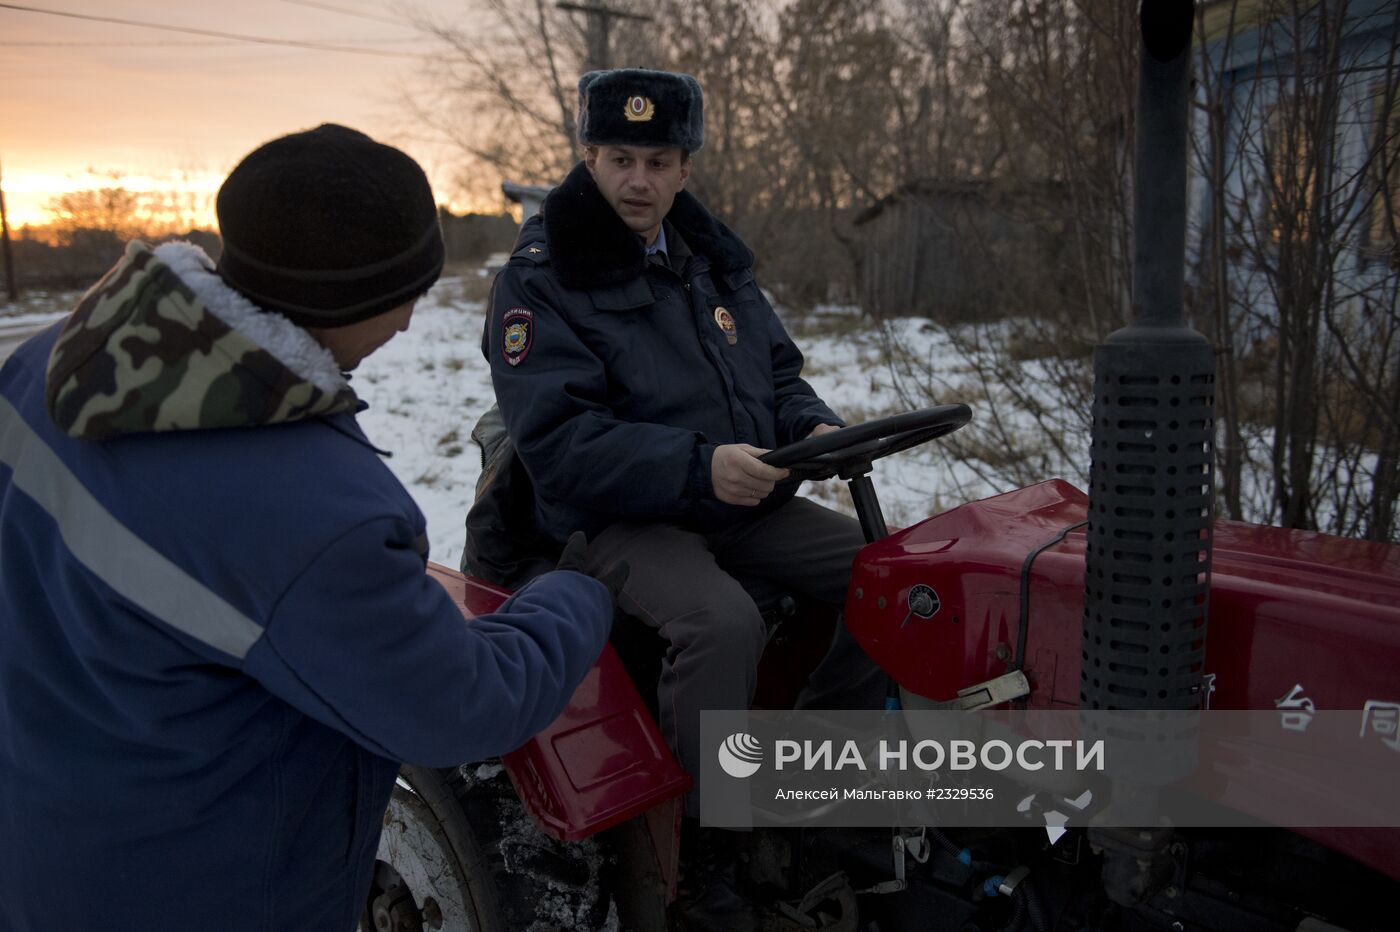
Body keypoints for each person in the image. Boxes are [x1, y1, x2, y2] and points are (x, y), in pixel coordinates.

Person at [0, 124, 619, 932]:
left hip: (48, 848)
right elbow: (460, 704)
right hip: (202, 889)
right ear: (365, 298)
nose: (406, 326)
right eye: (412, 295)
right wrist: (571, 596)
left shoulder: (51, 365)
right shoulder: (319, 514)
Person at [482, 69, 882, 930]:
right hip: (618, 520)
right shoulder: (541, 279)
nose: (638, 179)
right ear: (588, 157)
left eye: (657, 160)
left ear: (684, 169)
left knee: (889, 576)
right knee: (721, 622)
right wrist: (699, 468)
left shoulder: (711, 263)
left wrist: (810, 428)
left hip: (743, 499)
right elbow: (558, 442)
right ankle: (708, 849)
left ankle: (816, 770)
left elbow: (779, 374)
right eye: (619, 157)